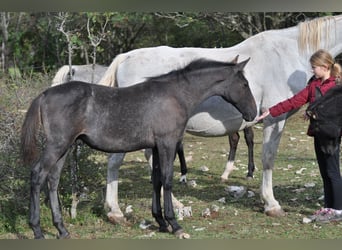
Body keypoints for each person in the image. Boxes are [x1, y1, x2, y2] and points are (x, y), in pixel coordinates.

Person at [257, 49, 342, 223]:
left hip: (332, 135)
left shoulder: (337, 87)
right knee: (325, 172)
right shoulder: (314, 85)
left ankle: (338, 210)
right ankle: (328, 208)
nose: (312, 70)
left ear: (325, 67)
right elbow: (294, 101)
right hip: (319, 133)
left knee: (333, 172)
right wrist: (271, 111)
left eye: (314, 67)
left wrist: (314, 111)